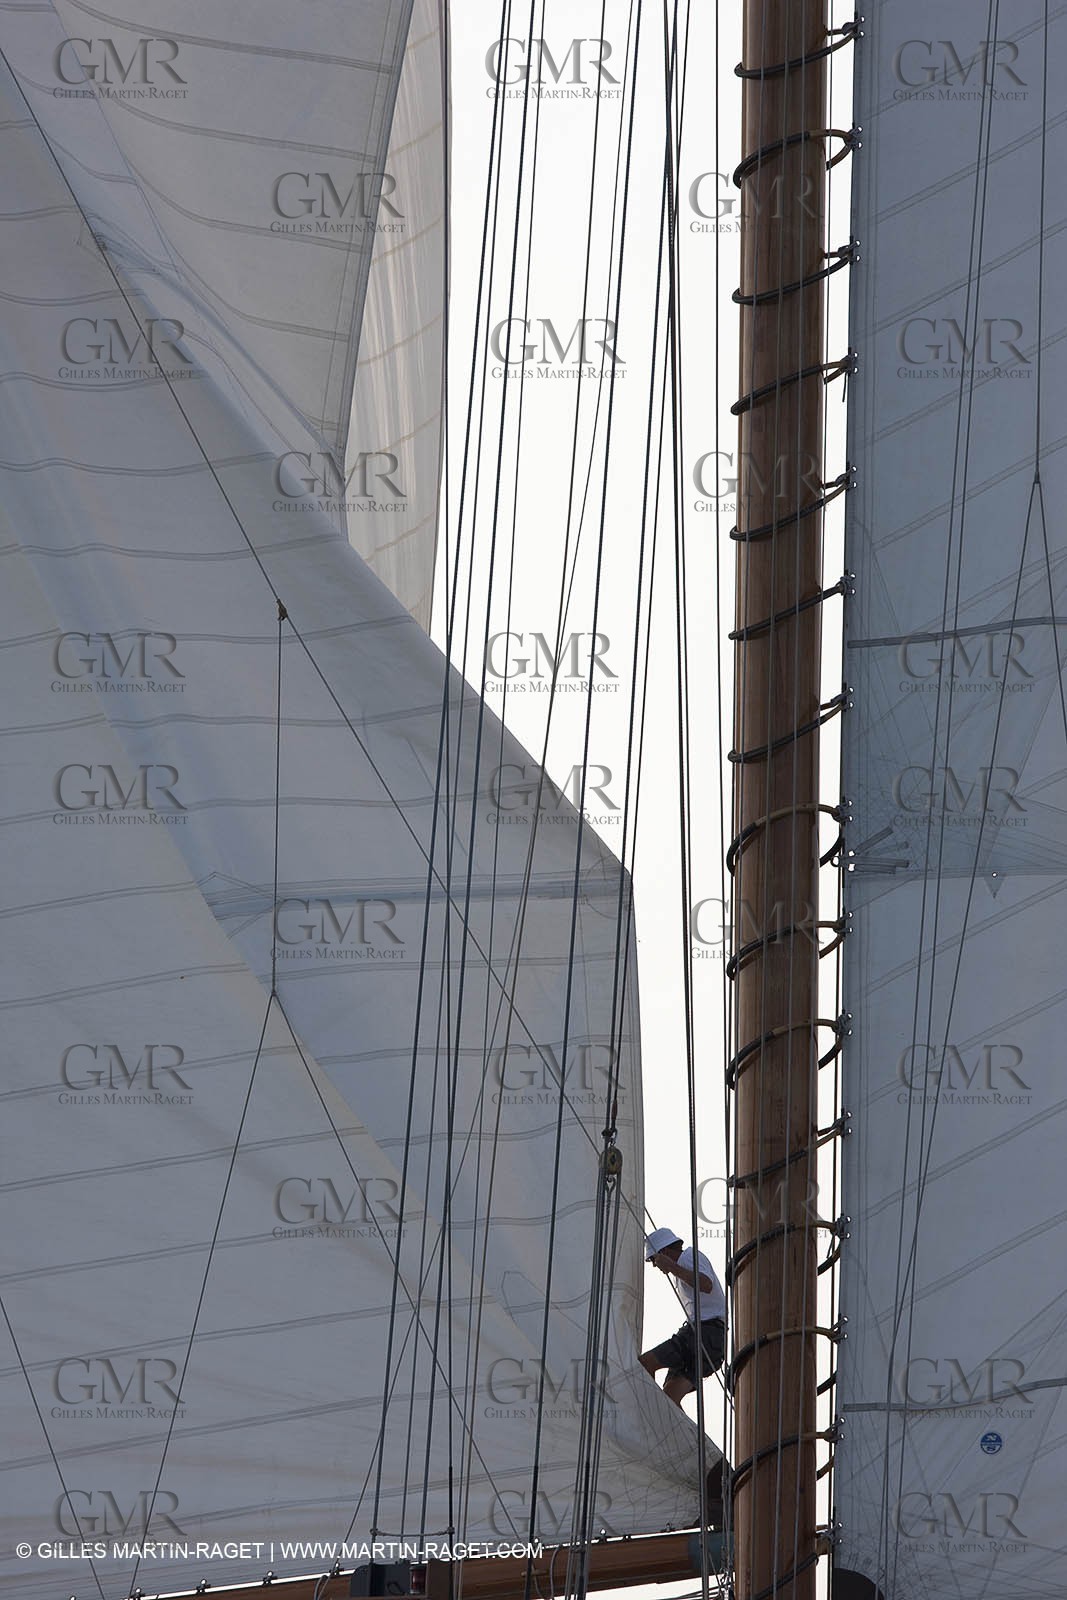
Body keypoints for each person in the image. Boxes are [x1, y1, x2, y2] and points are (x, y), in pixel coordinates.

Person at [639, 1225, 727, 1408]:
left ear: (663, 1252)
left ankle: (643, 1419)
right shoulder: (683, 1268)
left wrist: (671, 1267)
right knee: (668, 1401)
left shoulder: (688, 1256)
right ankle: (684, 1437)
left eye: (654, 1260)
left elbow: (706, 1284)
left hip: (704, 1335)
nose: (655, 1266)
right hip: (711, 1342)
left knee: (645, 1363)